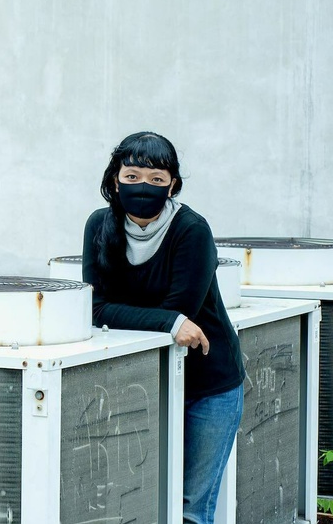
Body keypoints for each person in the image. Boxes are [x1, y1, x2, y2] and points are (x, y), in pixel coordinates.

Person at [81, 131, 244, 524]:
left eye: (157, 179)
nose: (143, 187)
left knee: (191, 509)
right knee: (143, 502)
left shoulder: (192, 230)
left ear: (173, 185)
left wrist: (166, 318)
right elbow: (94, 307)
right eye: (132, 176)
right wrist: (169, 323)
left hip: (209, 386)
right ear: (114, 178)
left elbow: (181, 308)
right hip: (144, 386)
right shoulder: (100, 225)